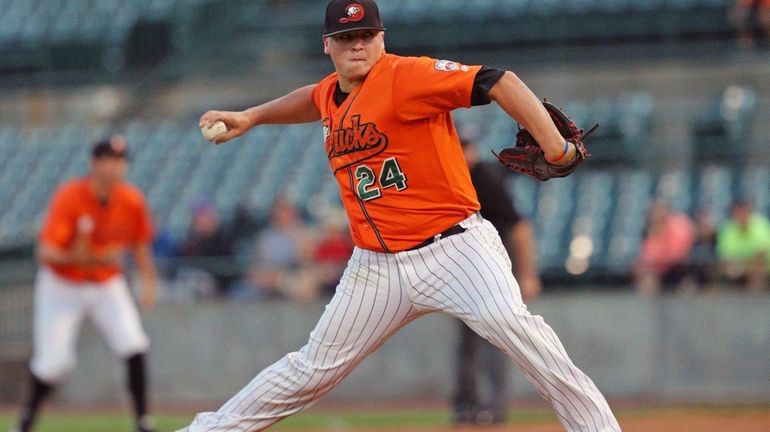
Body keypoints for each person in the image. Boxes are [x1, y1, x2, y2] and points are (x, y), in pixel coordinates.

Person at [186, 1, 621, 430]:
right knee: (311, 369)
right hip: (375, 267)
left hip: (454, 249)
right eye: (345, 37)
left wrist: (555, 146)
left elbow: (499, 81)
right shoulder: (330, 92)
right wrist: (252, 116)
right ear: (327, 45)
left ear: (381, 39)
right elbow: (315, 99)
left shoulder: (406, 76)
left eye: (366, 36)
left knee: (514, 328)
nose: (357, 45)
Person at [10, 136, 158, 432]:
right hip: (63, 284)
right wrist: (80, 256)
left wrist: (148, 281)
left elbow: (140, 244)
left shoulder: (131, 200)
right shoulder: (71, 196)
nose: (114, 166)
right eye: (107, 159)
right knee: (54, 363)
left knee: (134, 343)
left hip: (105, 283)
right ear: (94, 163)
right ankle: (25, 422)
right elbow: (45, 252)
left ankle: (143, 422)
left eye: (119, 160)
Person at [451, 137, 542, 426]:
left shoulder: (485, 178)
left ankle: (494, 406)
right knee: (467, 339)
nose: (465, 151)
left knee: (497, 336)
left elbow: (518, 225)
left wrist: (527, 274)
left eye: (467, 146)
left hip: (495, 266)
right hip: (465, 269)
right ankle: (466, 405)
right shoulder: (451, 176)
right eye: (458, 145)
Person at [632, 201, 697, 296]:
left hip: (681, 269)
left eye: (659, 211)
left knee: (687, 285)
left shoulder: (678, 224)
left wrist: (660, 256)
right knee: (646, 281)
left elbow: (678, 253)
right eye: (653, 212)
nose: (655, 216)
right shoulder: (649, 232)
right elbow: (647, 258)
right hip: (660, 271)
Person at [716, 199, 770, 292]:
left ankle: (757, 296)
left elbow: (761, 254)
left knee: (757, 267)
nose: (741, 216)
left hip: (762, 266)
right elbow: (725, 256)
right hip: (739, 266)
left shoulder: (760, 224)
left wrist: (746, 266)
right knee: (726, 269)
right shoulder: (728, 228)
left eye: (743, 212)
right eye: (738, 213)